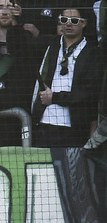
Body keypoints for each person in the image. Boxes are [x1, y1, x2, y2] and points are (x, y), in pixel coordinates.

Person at [31, 7, 101, 148]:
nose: (68, 24)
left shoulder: (93, 53)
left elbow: (89, 94)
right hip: (45, 122)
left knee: (71, 169)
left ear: (84, 23)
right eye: (64, 20)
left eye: (74, 21)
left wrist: (54, 98)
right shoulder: (52, 45)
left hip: (74, 127)